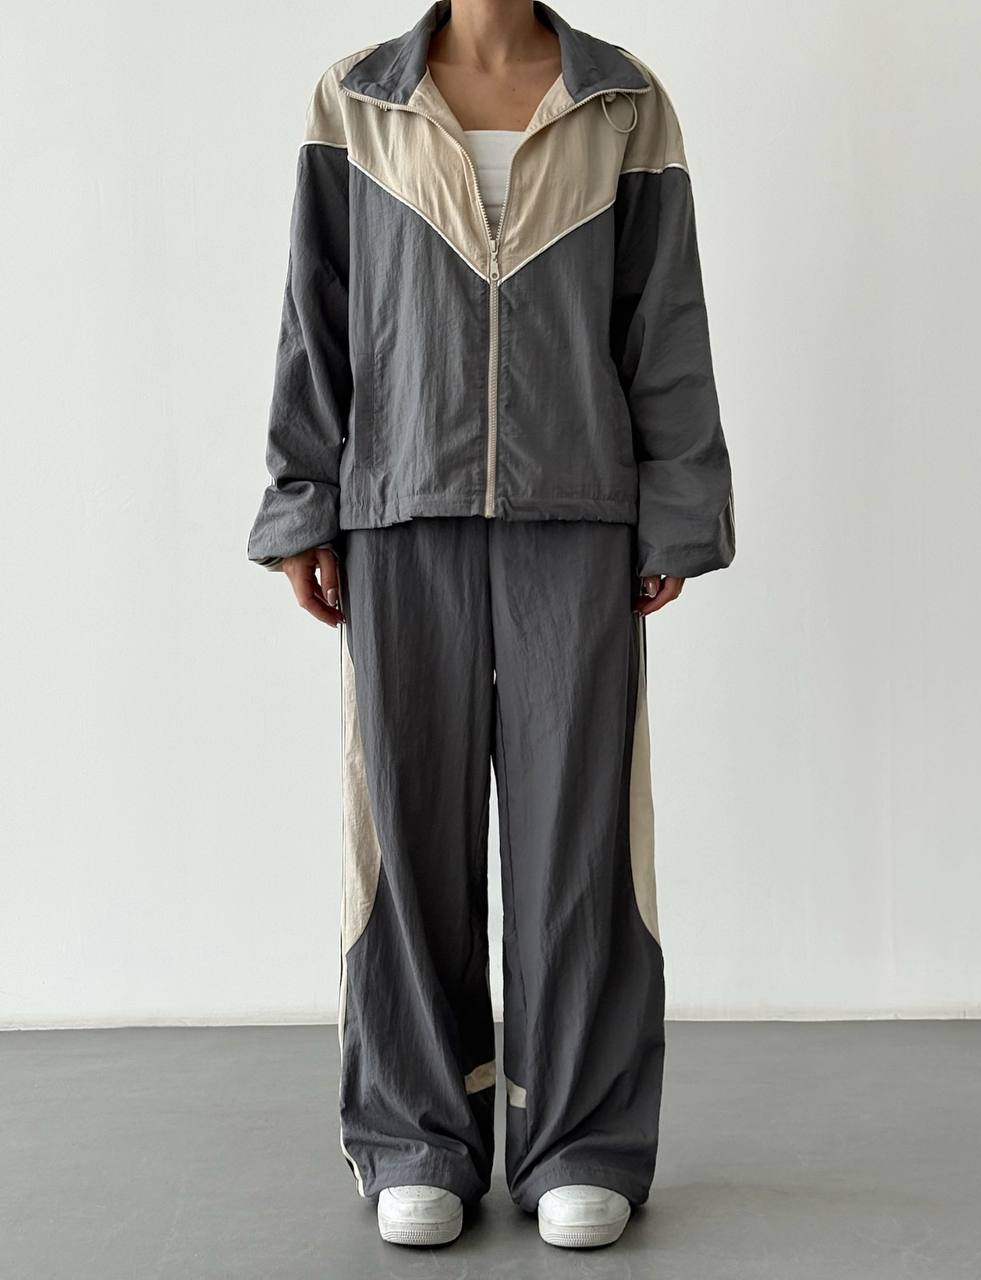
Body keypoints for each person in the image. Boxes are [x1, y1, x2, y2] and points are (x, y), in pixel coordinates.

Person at [246, 0, 735, 1251]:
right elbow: (315, 309)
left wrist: (676, 506)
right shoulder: (356, 98)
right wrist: (303, 500)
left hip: (578, 511)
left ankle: (580, 1139)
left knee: (581, 839)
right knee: (404, 833)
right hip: (398, 504)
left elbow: (663, 310)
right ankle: (417, 1133)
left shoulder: (622, 102)